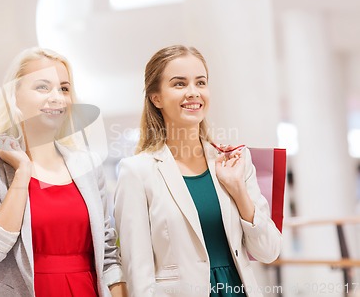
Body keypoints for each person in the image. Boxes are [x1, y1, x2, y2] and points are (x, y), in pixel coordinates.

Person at [114, 45, 282, 297]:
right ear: (156, 97)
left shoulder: (236, 160)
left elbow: (268, 251)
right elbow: (138, 272)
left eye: (200, 82)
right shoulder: (137, 172)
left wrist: (238, 191)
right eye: (179, 84)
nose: (193, 93)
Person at [0, 47, 126, 297]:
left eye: (64, 88)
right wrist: (23, 170)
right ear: (14, 96)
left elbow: (108, 254)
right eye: (42, 87)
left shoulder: (87, 167)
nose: (57, 97)